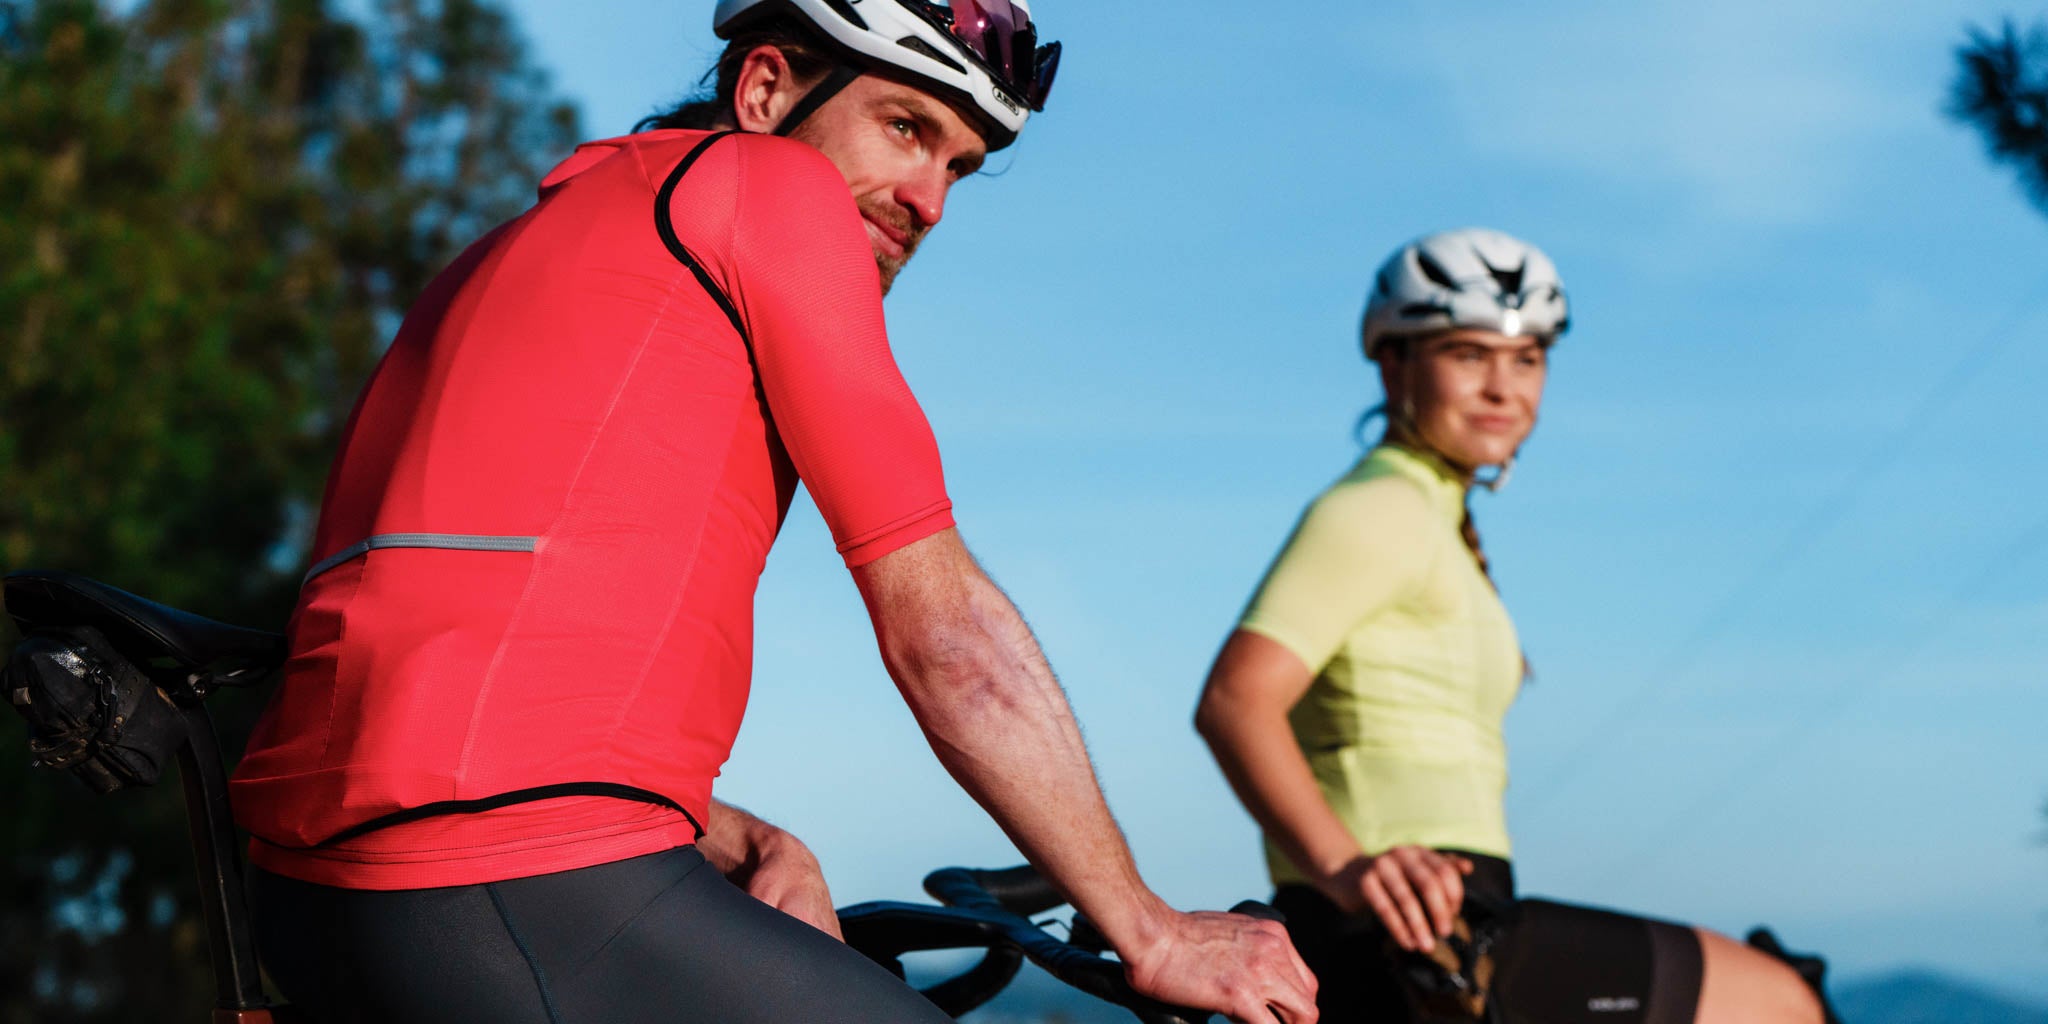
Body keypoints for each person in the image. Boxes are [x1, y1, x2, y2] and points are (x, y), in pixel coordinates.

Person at [227, 2, 1317, 1021]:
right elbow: (944, 637)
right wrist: (1152, 927)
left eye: (958, 167)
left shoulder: (512, 255)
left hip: (319, 901)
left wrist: (723, 830)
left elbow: (423, 643)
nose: (929, 197)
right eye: (904, 126)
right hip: (513, 883)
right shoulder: (769, 190)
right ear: (763, 91)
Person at [1195, 228, 1835, 1024]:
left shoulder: (1432, 513)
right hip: (1414, 924)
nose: (1504, 386)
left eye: (1527, 358)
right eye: (1468, 354)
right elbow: (1234, 701)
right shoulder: (1380, 508)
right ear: (1395, 362)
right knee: (1781, 1003)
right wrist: (1347, 869)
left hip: (1443, 915)